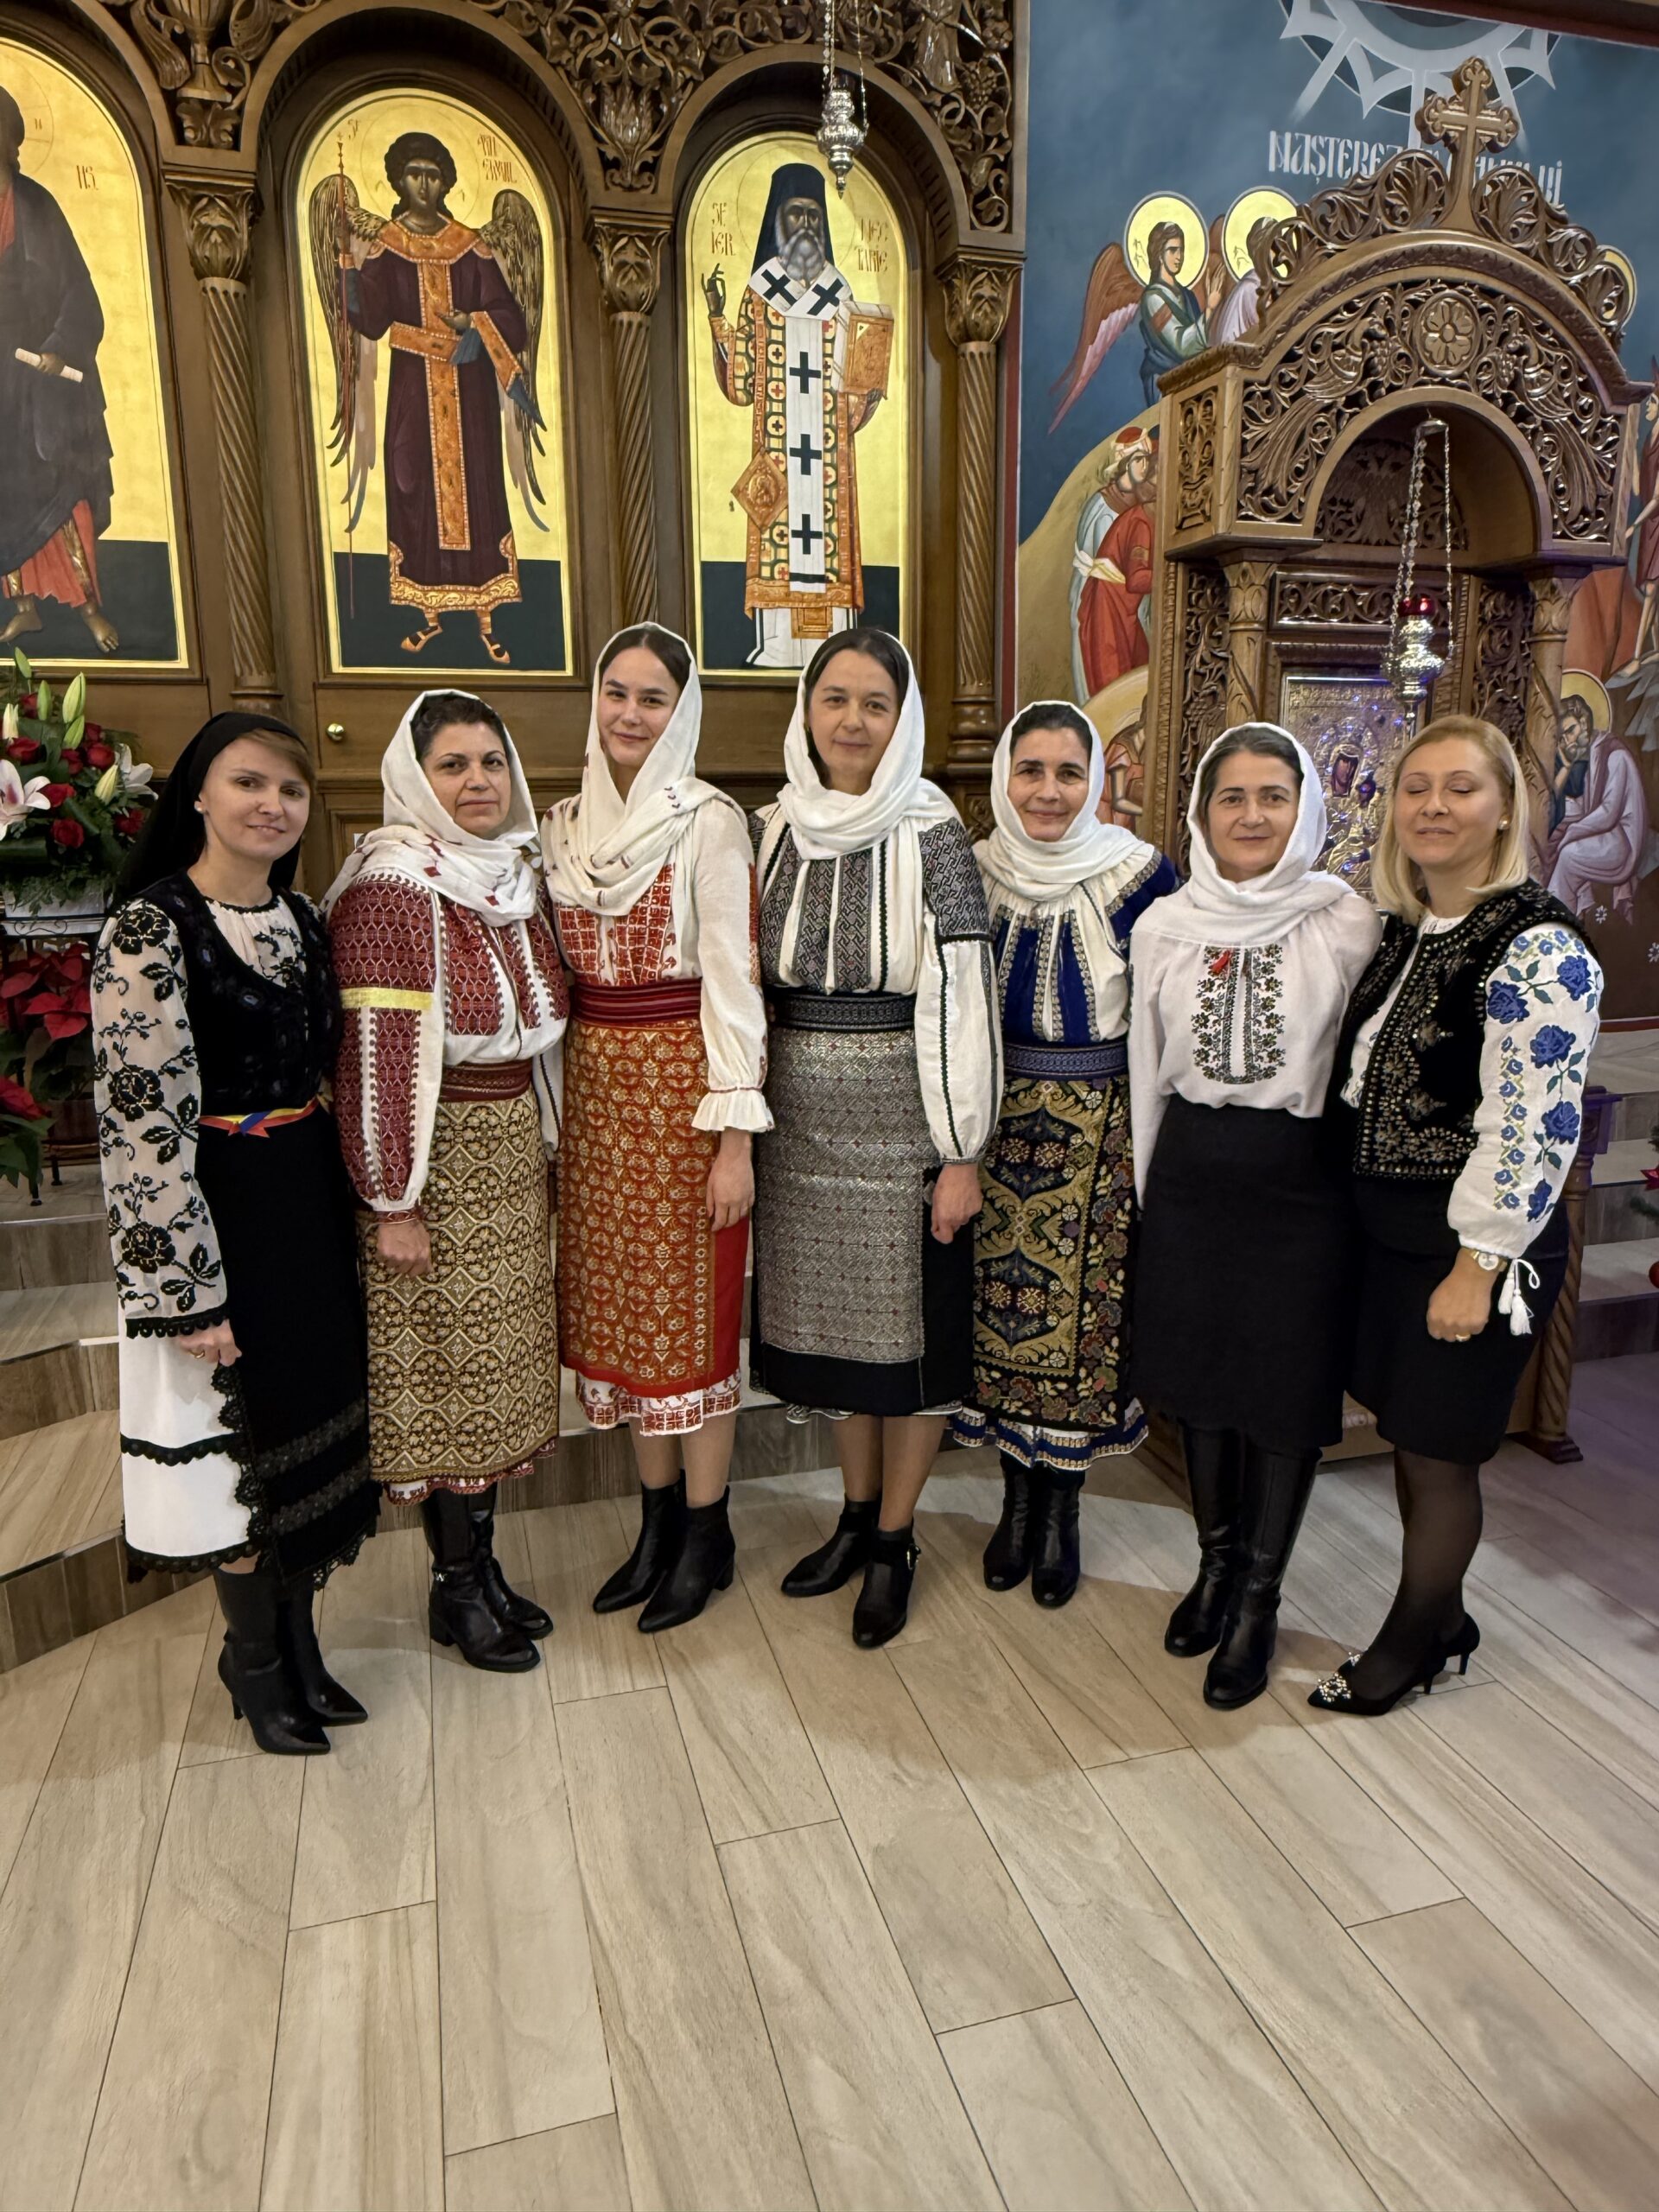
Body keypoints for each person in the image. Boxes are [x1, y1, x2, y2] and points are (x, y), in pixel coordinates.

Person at [92, 715, 378, 1754]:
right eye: (248, 783)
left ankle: (300, 1643)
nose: (272, 805)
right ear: (199, 796)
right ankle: (254, 1662)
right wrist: (187, 1290)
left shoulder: (301, 916)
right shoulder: (149, 929)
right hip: (215, 1209)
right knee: (235, 1453)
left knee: (306, 1427)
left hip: (302, 1197)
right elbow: (138, 1125)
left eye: (290, 790)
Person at [1312, 716, 1602, 1717]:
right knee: (1413, 1436)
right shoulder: (1403, 929)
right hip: (1392, 1236)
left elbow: (1534, 1124)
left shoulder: (1537, 947)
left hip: (1472, 1246)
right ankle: (1446, 1617)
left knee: (1440, 1455)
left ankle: (1410, 1643)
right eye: (1416, 787)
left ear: (1506, 809)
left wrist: (1478, 1264)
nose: (1434, 806)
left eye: (1461, 788)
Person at [752, 627, 1001, 1646]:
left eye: (875, 704)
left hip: (907, 1125)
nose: (852, 721)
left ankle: (897, 1539)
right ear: (806, 710)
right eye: (836, 699)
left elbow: (963, 995)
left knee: (909, 1343)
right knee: (836, 1342)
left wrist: (962, 1151)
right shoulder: (772, 826)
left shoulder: (933, 829)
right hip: (799, 1132)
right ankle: (854, 1518)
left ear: (903, 721)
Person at [1129, 725, 1381, 1708]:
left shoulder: (1346, 923)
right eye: (1231, 797)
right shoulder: (1166, 924)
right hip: (1192, 1169)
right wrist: (1150, 1192)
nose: (1251, 815)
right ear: (1202, 812)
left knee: (1283, 1391)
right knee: (1198, 1382)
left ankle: (1260, 1600)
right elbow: (1146, 1070)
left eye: (1273, 796)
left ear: (1305, 807)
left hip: (1299, 1181)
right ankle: (1216, 1566)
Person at [327, 690, 565, 1673]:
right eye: (454, 765)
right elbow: (377, 1055)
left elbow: (538, 1034)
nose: (477, 782)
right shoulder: (395, 886)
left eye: (491, 762)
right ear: (415, 778)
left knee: (498, 1377)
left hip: (507, 1154)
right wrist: (395, 1200)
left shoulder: (509, 875)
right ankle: (456, 1588)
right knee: (444, 1380)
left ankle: (481, 1570)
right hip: (434, 1162)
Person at [543, 626, 768, 1630]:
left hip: (686, 1100)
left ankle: (708, 1532)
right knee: (626, 1324)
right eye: (617, 692)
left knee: (693, 1327)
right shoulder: (560, 828)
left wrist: (734, 1141)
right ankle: (656, 1523)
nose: (630, 714)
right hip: (598, 1104)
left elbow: (734, 983)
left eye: (653, 698)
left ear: (683, 712)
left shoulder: (708, 822)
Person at [955, 702, 1177, 1605]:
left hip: (1098, 1128)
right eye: (1031, 770)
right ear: (1005, 778)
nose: (1048, 791)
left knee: (1084, 1329)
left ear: (1095, 783)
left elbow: (1162, 1010)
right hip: (992, 1121)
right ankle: (1015, 1503)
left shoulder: (1141, 875)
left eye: (1069, 773)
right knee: (1001, 1319)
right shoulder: (973, 869)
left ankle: (1062, 1511)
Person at [0, 83, 118, 652]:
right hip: (0, 384)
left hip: (45, 380)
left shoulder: (38, 206)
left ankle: (90, 608)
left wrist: (61, 347)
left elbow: (79, 291)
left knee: (64, 488)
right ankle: (24, 608)